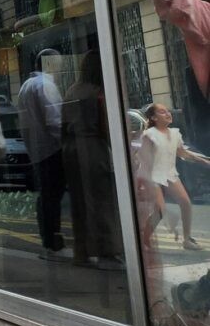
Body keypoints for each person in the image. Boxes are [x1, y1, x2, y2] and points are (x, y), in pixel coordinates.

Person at [61, 52, 123, 267]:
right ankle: (108, 251)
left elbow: (62, 124)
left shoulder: (71, 91)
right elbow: (106, 126)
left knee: (79, 202)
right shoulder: (97, 92)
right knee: (102, 199)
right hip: (92, 147)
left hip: (70, 148)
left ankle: (81, 251)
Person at [137, 102, 210, 250]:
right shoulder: (149, 135)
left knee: (186, 203)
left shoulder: (174, 134)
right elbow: (143, 161)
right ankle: (144, 239)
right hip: (152, 175)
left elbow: (182, 153)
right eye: (162, 112)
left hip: (169, 173)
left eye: (167, 111)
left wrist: (203, 160)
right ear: (154, 118)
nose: (168, 114)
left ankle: (187, 240)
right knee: (159, 210)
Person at [17, 49, 67, 259]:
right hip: (52, 149)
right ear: (50, 64)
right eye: (58, 64)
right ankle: (53, 242)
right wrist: (65, 142)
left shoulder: (26, 86)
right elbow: (55, 120)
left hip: (37, 149)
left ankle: (48, 241)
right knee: (52, 196)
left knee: (46, 196)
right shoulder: (45, 85)